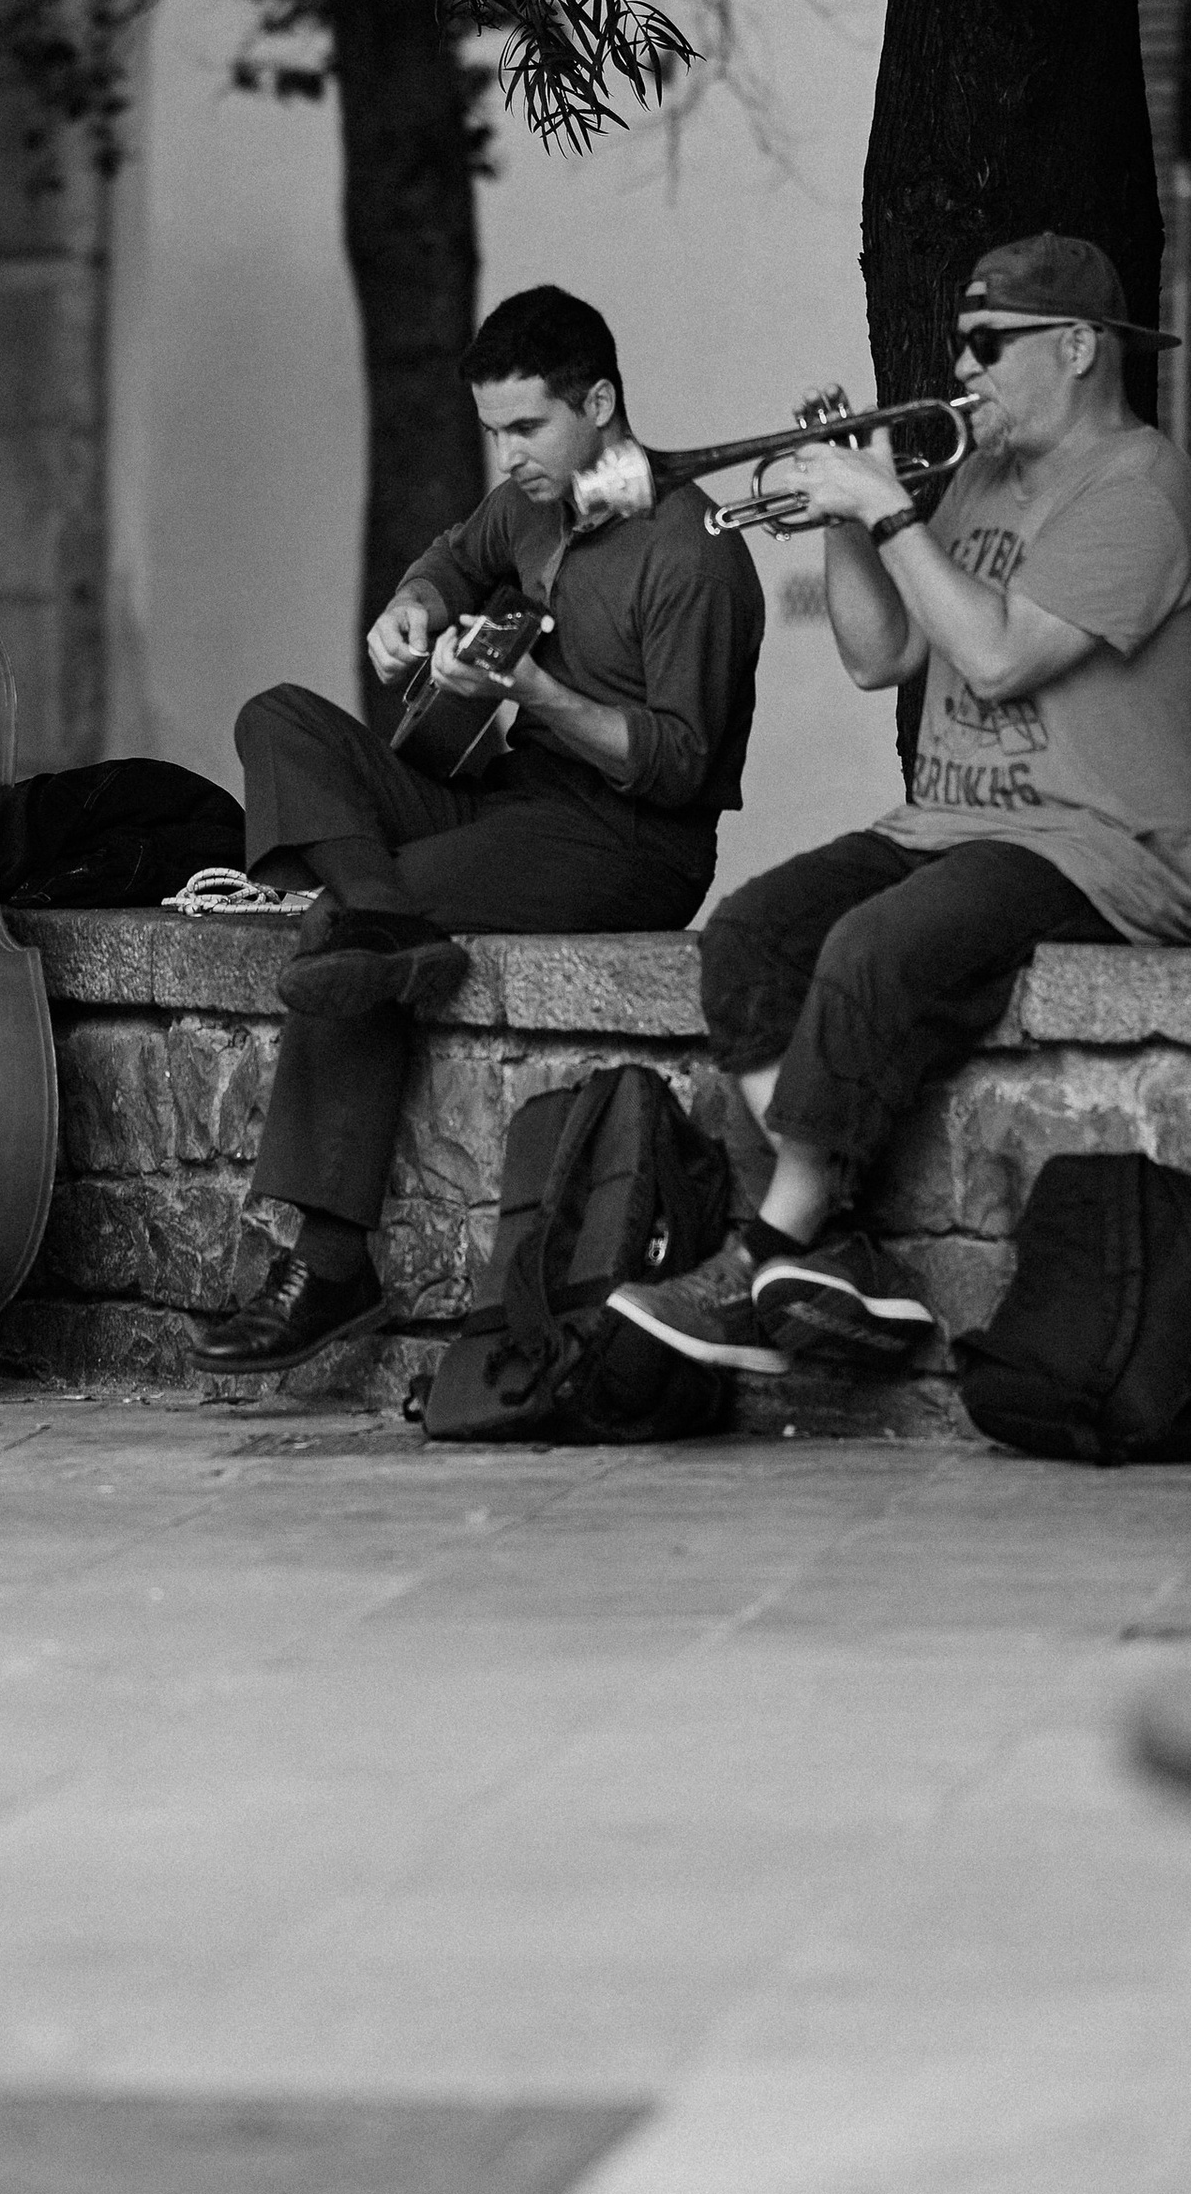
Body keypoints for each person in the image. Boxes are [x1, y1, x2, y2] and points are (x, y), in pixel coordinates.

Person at [611, 230, 1191, 1383]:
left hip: (1100, 846)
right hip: (944, 823)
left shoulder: (1143, 485)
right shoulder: (980, 476)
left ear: (1080, 348)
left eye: (989, 346)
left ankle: (777, 1243)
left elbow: (991, 661)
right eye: (961, 347)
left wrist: (887, 510)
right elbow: (877, 655)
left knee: (870, 949)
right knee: (749, 937)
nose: (966, 370)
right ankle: (827, 1243)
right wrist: (845, 512)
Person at [187, 285, 764, 1377]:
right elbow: (454, 558)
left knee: (345, 926)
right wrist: (411, 608)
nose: (506, 454)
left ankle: (330, 1265)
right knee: (279, 719)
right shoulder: (536, 505)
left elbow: (682, 767)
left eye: (526, 426)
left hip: (627, 840)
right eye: (492, 429)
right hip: (502, 793)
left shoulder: (693, 553)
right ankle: (381, 918)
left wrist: (537, 694)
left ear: (599, 401)